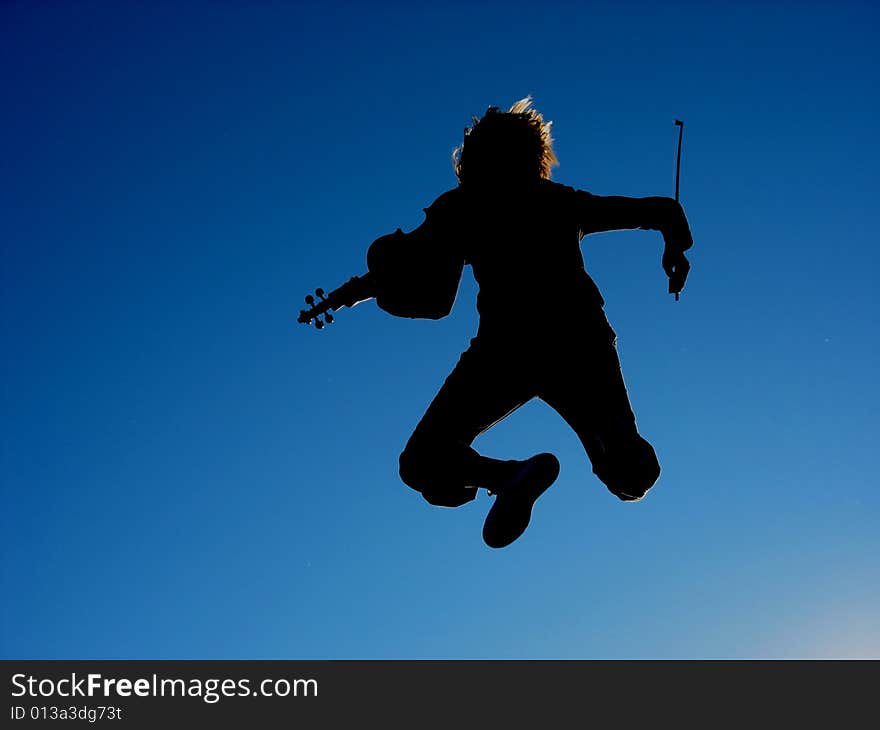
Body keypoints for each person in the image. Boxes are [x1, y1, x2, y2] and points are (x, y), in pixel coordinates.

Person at [327, 97, 693, 548]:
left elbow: (432, 297)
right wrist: (676, 250)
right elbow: (662, 211)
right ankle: (530, 472)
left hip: (506, 349)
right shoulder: (557, 201)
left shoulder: (461, 206)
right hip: (577, 341)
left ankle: (507, 475)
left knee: (424, 462)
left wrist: (367, 293)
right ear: (534, 158)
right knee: (631, 476)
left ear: (474, 158)